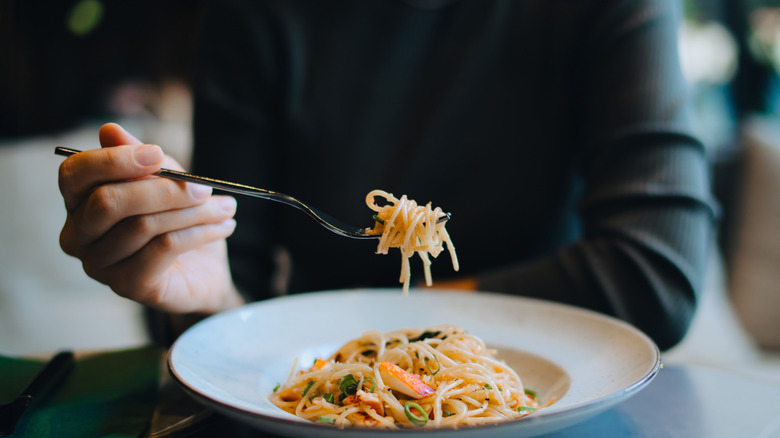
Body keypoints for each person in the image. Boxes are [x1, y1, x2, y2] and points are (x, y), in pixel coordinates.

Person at [57, 0, 716, 350]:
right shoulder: (255, 14)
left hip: (554, 392)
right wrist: (198, 291)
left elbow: (655, 271)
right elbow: (228, 303)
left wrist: (379, 336)